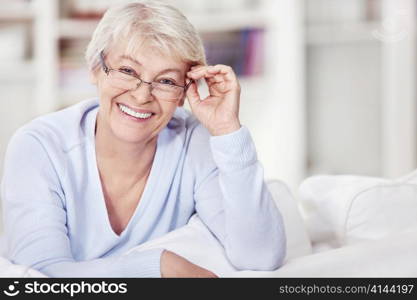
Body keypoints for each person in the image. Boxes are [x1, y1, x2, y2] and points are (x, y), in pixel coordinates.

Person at [1, 0, 286, 278]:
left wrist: (227, 130)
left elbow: (259, 256)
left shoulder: (194, 140)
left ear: (184, 93)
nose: (141, 95)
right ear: (95, 69)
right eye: (127, 71)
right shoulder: (39, 146)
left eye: (165, 81)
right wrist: (154, 267)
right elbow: (37, 278)